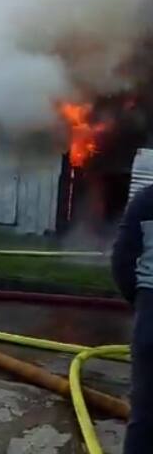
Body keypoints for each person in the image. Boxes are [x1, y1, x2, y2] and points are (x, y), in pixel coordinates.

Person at [111, 184, 153, 453]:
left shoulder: (146, 200)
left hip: (151, 315)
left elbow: (122, 262)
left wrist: (140, 301)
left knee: (146, 416)